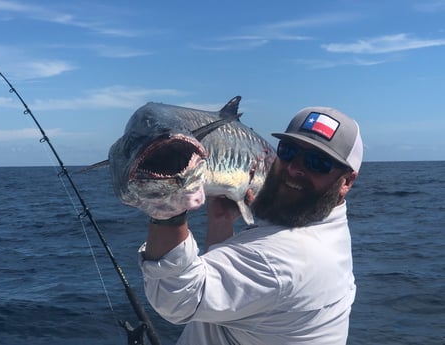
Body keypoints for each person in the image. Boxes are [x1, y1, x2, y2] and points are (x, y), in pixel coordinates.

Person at [137, 106, 363, 344]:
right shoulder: (328, 233)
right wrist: (221, 222)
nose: (295, 168)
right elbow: (239, 299)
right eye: (288, 152)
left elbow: (176, 299)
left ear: (346, 181)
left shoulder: (285, 257)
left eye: (317, 162)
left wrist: (168, 206)